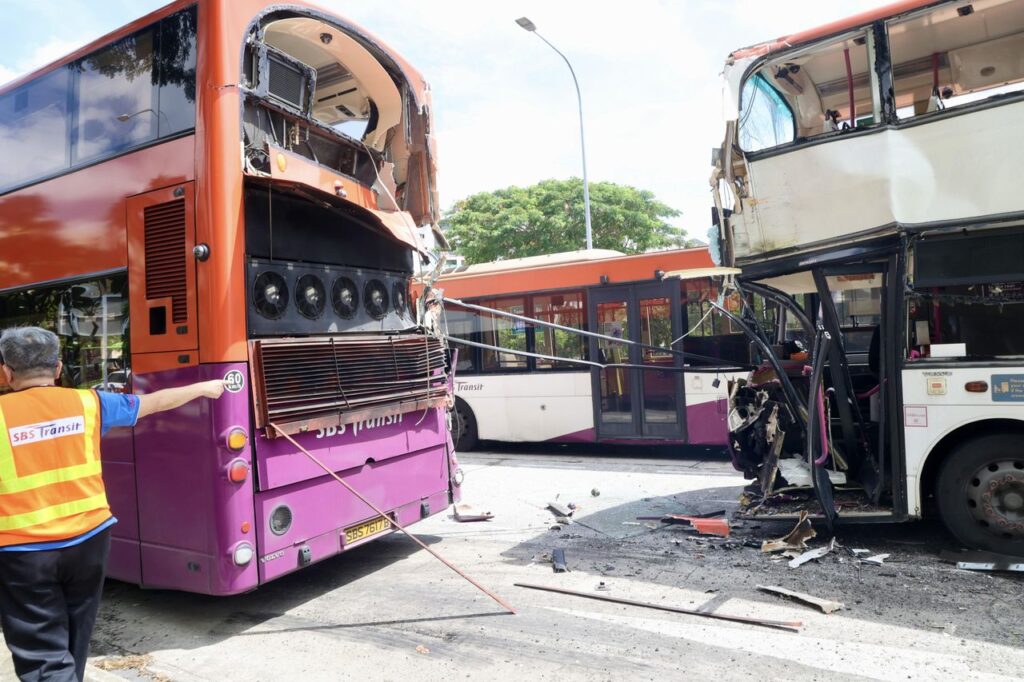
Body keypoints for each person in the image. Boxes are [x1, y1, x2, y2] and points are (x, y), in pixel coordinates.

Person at [0, 327, 226, 681]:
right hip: (90, 540)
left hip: (24, 551)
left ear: (6, 372)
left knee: (42, 651)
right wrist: (204, 387)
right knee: (76, 634)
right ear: (58, 368)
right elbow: (153, 403)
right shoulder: (89, 402)